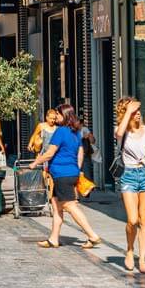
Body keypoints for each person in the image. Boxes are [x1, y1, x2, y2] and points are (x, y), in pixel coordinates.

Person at [30, 103, 101, 250]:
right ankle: (54, 239)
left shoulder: (60, 131)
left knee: (70, 205)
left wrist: (35, 162)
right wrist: (78, 169)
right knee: (57, 206)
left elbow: (49, 153)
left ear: (65, 116)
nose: (56, 116)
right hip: (70, 172)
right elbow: (80, 152)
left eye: (58, 114)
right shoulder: (76, 132)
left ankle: (92, 235)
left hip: (62, 175)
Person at [115, 97, 145, 273]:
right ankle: (129, 250)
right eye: (134, 112)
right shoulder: (122, 132)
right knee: (132, 220)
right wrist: (129, 110)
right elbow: (119, 134)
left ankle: (142, 260)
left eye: (138, 112)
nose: (137, 115)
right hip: (128, 175)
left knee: (144, 220)